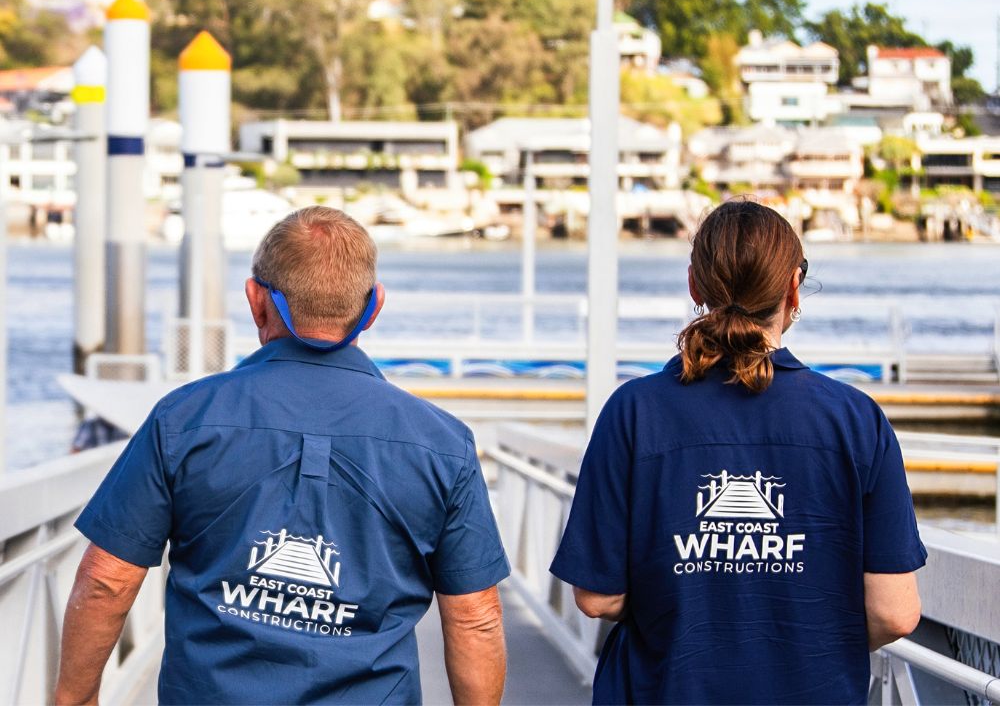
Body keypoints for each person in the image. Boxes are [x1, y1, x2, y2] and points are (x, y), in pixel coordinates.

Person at [55, 206, 509, 705]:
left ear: (256, 302)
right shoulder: (442, 443)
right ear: (373, 307)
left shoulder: (184, 418)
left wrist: (73, 700)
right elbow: (476, 616)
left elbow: (106, 580)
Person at [550, 199, 925, 705]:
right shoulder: (855, 420)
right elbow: (895, 613)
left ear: (694, 286)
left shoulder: (634, 412)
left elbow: (598, 597)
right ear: (793, 287)